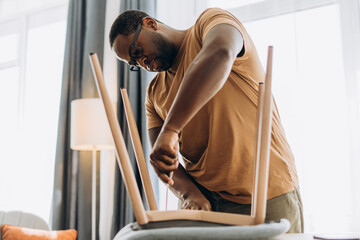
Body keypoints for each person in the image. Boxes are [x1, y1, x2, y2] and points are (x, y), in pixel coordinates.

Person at [109, 8, 304, 233]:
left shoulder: (208, 24)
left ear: (151, 23)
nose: (142, 62)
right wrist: (189, 193)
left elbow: (220, 53)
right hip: (206, 204)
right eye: (134, 62)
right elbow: (163, 159)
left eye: (137, 50)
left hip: (267, 195)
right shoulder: (153, 93)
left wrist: (171, 129)